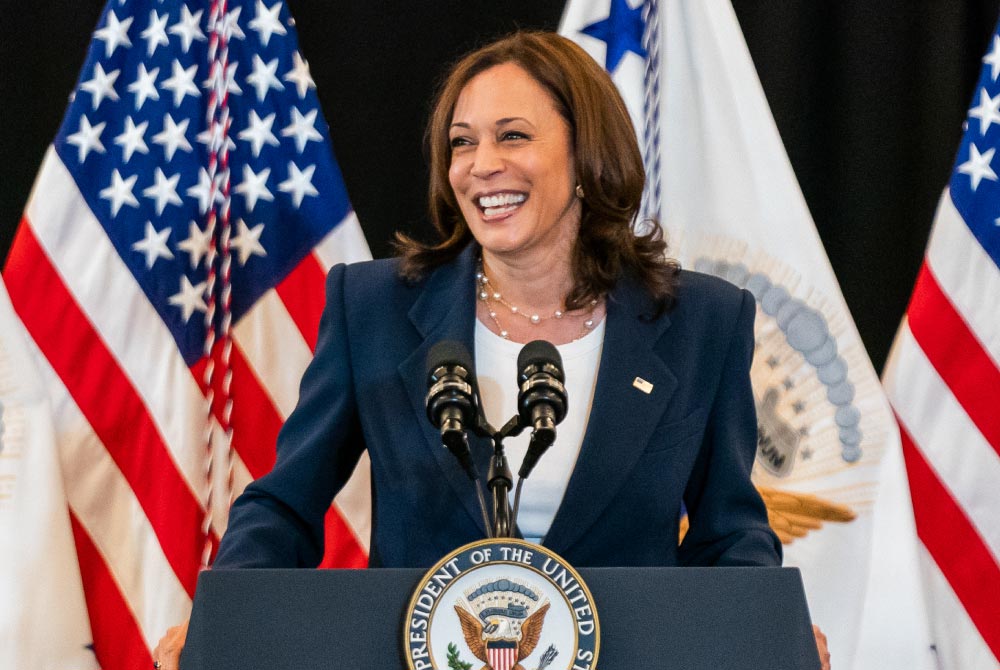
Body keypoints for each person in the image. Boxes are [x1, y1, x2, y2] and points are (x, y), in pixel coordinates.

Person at [154, 31, 830, 670]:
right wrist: (226, 622)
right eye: (462, 143)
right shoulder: (375, 309)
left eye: (513, 136)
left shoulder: (701, 323)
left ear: (588, 155)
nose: (481, 167)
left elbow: (729, 534)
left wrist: (768, 629)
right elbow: (284, 505)